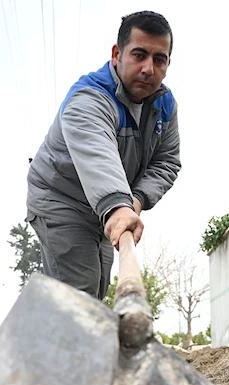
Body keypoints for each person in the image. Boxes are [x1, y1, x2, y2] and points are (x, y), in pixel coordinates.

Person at [25, 10, 180, 300]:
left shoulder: (164, 105)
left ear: (168, 64)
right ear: (117, 54)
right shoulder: (88, 99)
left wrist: (135, 201)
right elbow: (98, 155)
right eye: (139, 55)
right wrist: (118, 205)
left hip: (108, 208)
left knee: (96, 290)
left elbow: (166, 162)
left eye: (159, 59)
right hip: (62, 200)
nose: (148, 68)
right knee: (80, 295)